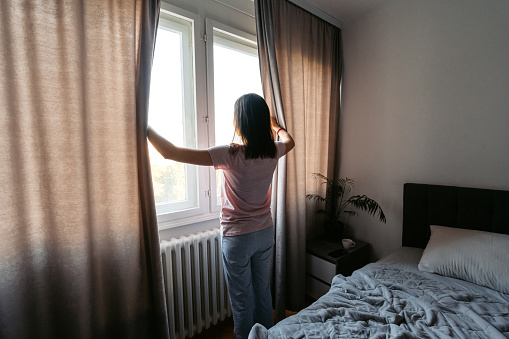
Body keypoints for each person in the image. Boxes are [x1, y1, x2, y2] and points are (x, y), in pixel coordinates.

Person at [147, 93, 294, 339]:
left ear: (240, 124)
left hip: (238, 238)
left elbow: (169, 152)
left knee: (241, 299)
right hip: (264, 233)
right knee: (262, 291)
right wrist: (275, 126)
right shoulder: (273, 151)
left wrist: (144, 123)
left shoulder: (230, 153)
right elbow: (289, 140)